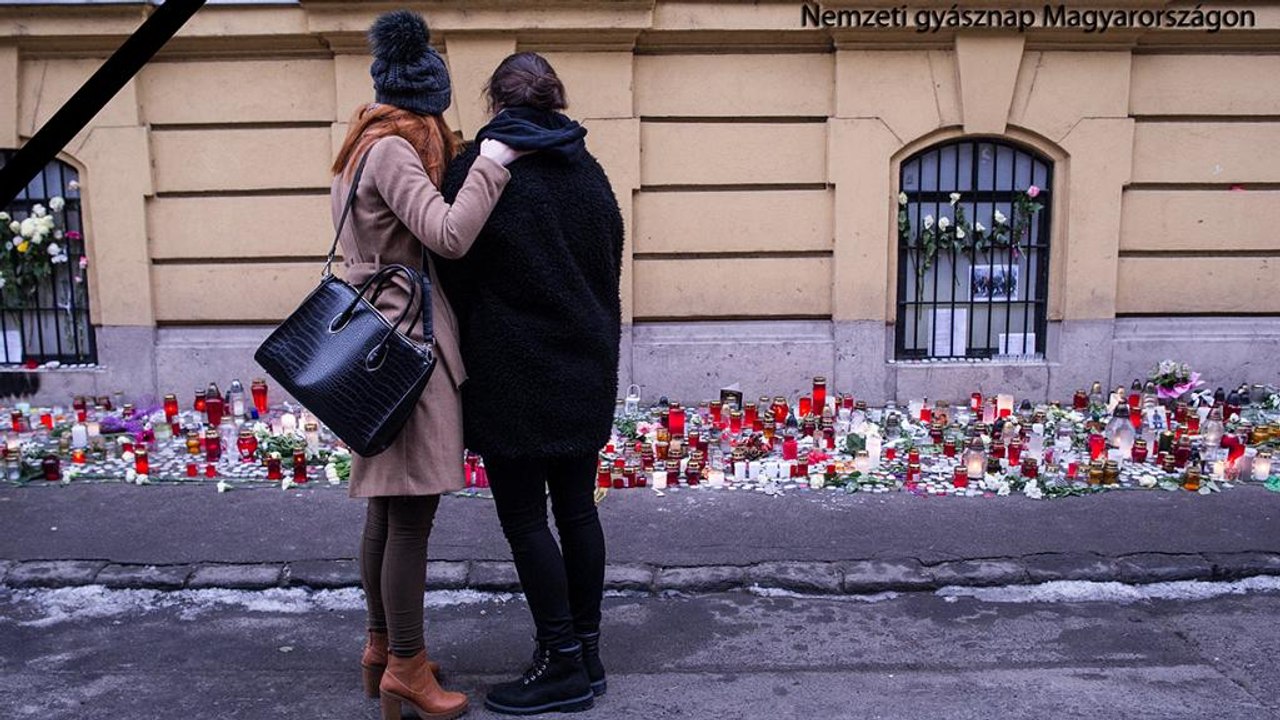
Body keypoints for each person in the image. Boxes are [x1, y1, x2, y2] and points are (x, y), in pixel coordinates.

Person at [329, 11, 524, 720]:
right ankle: (407, 668)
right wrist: (493, 167)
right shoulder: (392, 151)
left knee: (387, 507)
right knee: (410, 514)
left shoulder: (359, 144)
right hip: (403, 345)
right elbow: (448, 234)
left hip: (373, 337)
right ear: (428, 102)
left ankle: (382, 648)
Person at [436, 52, 625, 715]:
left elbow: (449, 264)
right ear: (554, 100)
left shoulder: (480, 169)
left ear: (496, 103)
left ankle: (561, 661)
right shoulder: (588, 170)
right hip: (585, 361)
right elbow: (610, 260)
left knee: (524, 518)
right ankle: (589, 653)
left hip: (513, 370)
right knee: (576, 509)